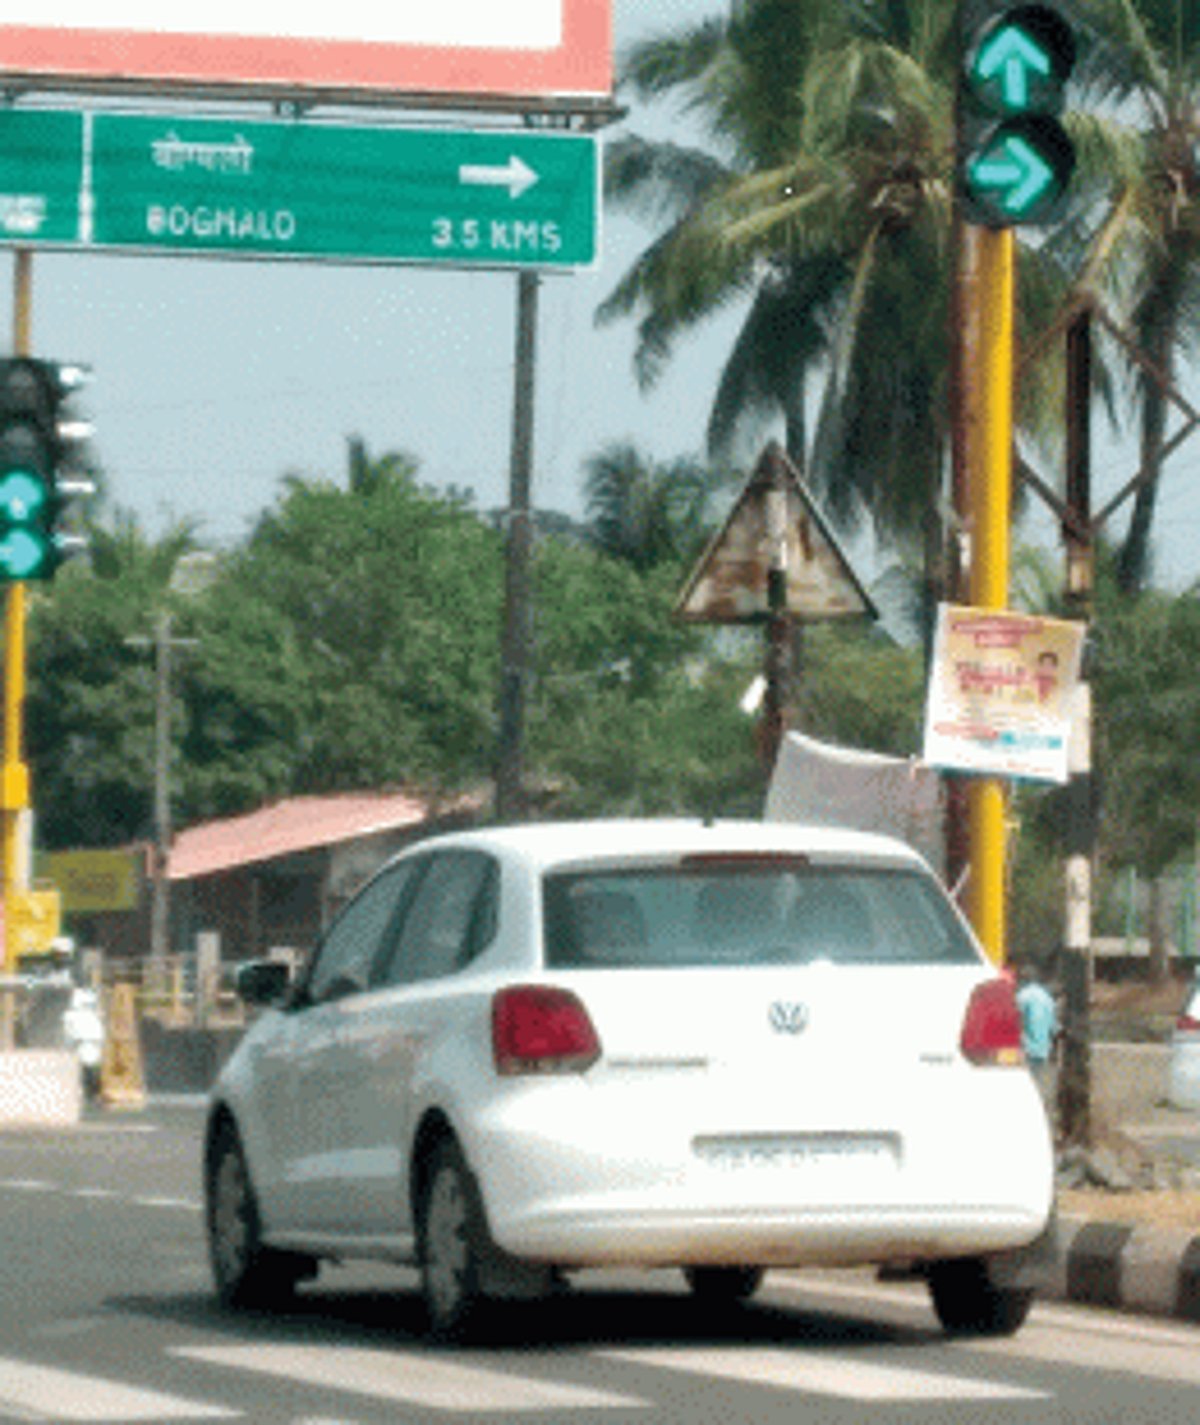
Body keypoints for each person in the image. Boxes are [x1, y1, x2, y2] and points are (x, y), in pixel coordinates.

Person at [1015, 961, 1058, 1104]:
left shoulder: (1022, 996)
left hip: (1026, 1048)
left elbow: (1016, 1020)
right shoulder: (1047, 998)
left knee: (1024, 1087)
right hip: (1043, 1049)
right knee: (1037, 1085)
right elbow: (1054, 1027)